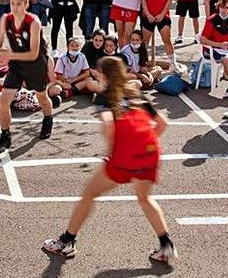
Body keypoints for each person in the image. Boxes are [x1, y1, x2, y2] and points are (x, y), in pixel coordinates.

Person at [42, 56, 177, 265]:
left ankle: (66, 241)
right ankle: (166, 246)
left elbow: (109, 126)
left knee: (88, 195)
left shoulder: (106, 96)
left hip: (124, 157)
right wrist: (143, 145)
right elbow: (161, 123)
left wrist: (112, 151)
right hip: (150, 153)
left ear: (104, 75)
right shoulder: (135, 92)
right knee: (145, 198)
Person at [0, 0, 54, 153]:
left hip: (35, 64)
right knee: (4, 100)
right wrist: (0, 51)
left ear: (26, 4)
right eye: (12, 4)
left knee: (42, 96)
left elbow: (33, 53)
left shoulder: (33, 22)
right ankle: (5, 136)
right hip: (16, 65)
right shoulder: (6, 18)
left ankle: (48, 118)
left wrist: (9, 54)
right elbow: (0, 42)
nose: (15, 7)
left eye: (19, 4)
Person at [140, 0, 179, 71]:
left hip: (163, 15)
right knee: (144, 42)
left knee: (166, 40)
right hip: (148, 16)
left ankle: (173, 63)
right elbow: (143, 0)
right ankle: (142, 64)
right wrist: (148, 14)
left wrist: (162, 14)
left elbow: (169, 0)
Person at [199, 0, 228, 96]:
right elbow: (202, 40)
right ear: (218, 7)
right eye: (222, 7)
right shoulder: (211, 20)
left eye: (226, 8)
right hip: (211, 50)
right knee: (226, 59)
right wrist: (219, 45)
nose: (224, 10)